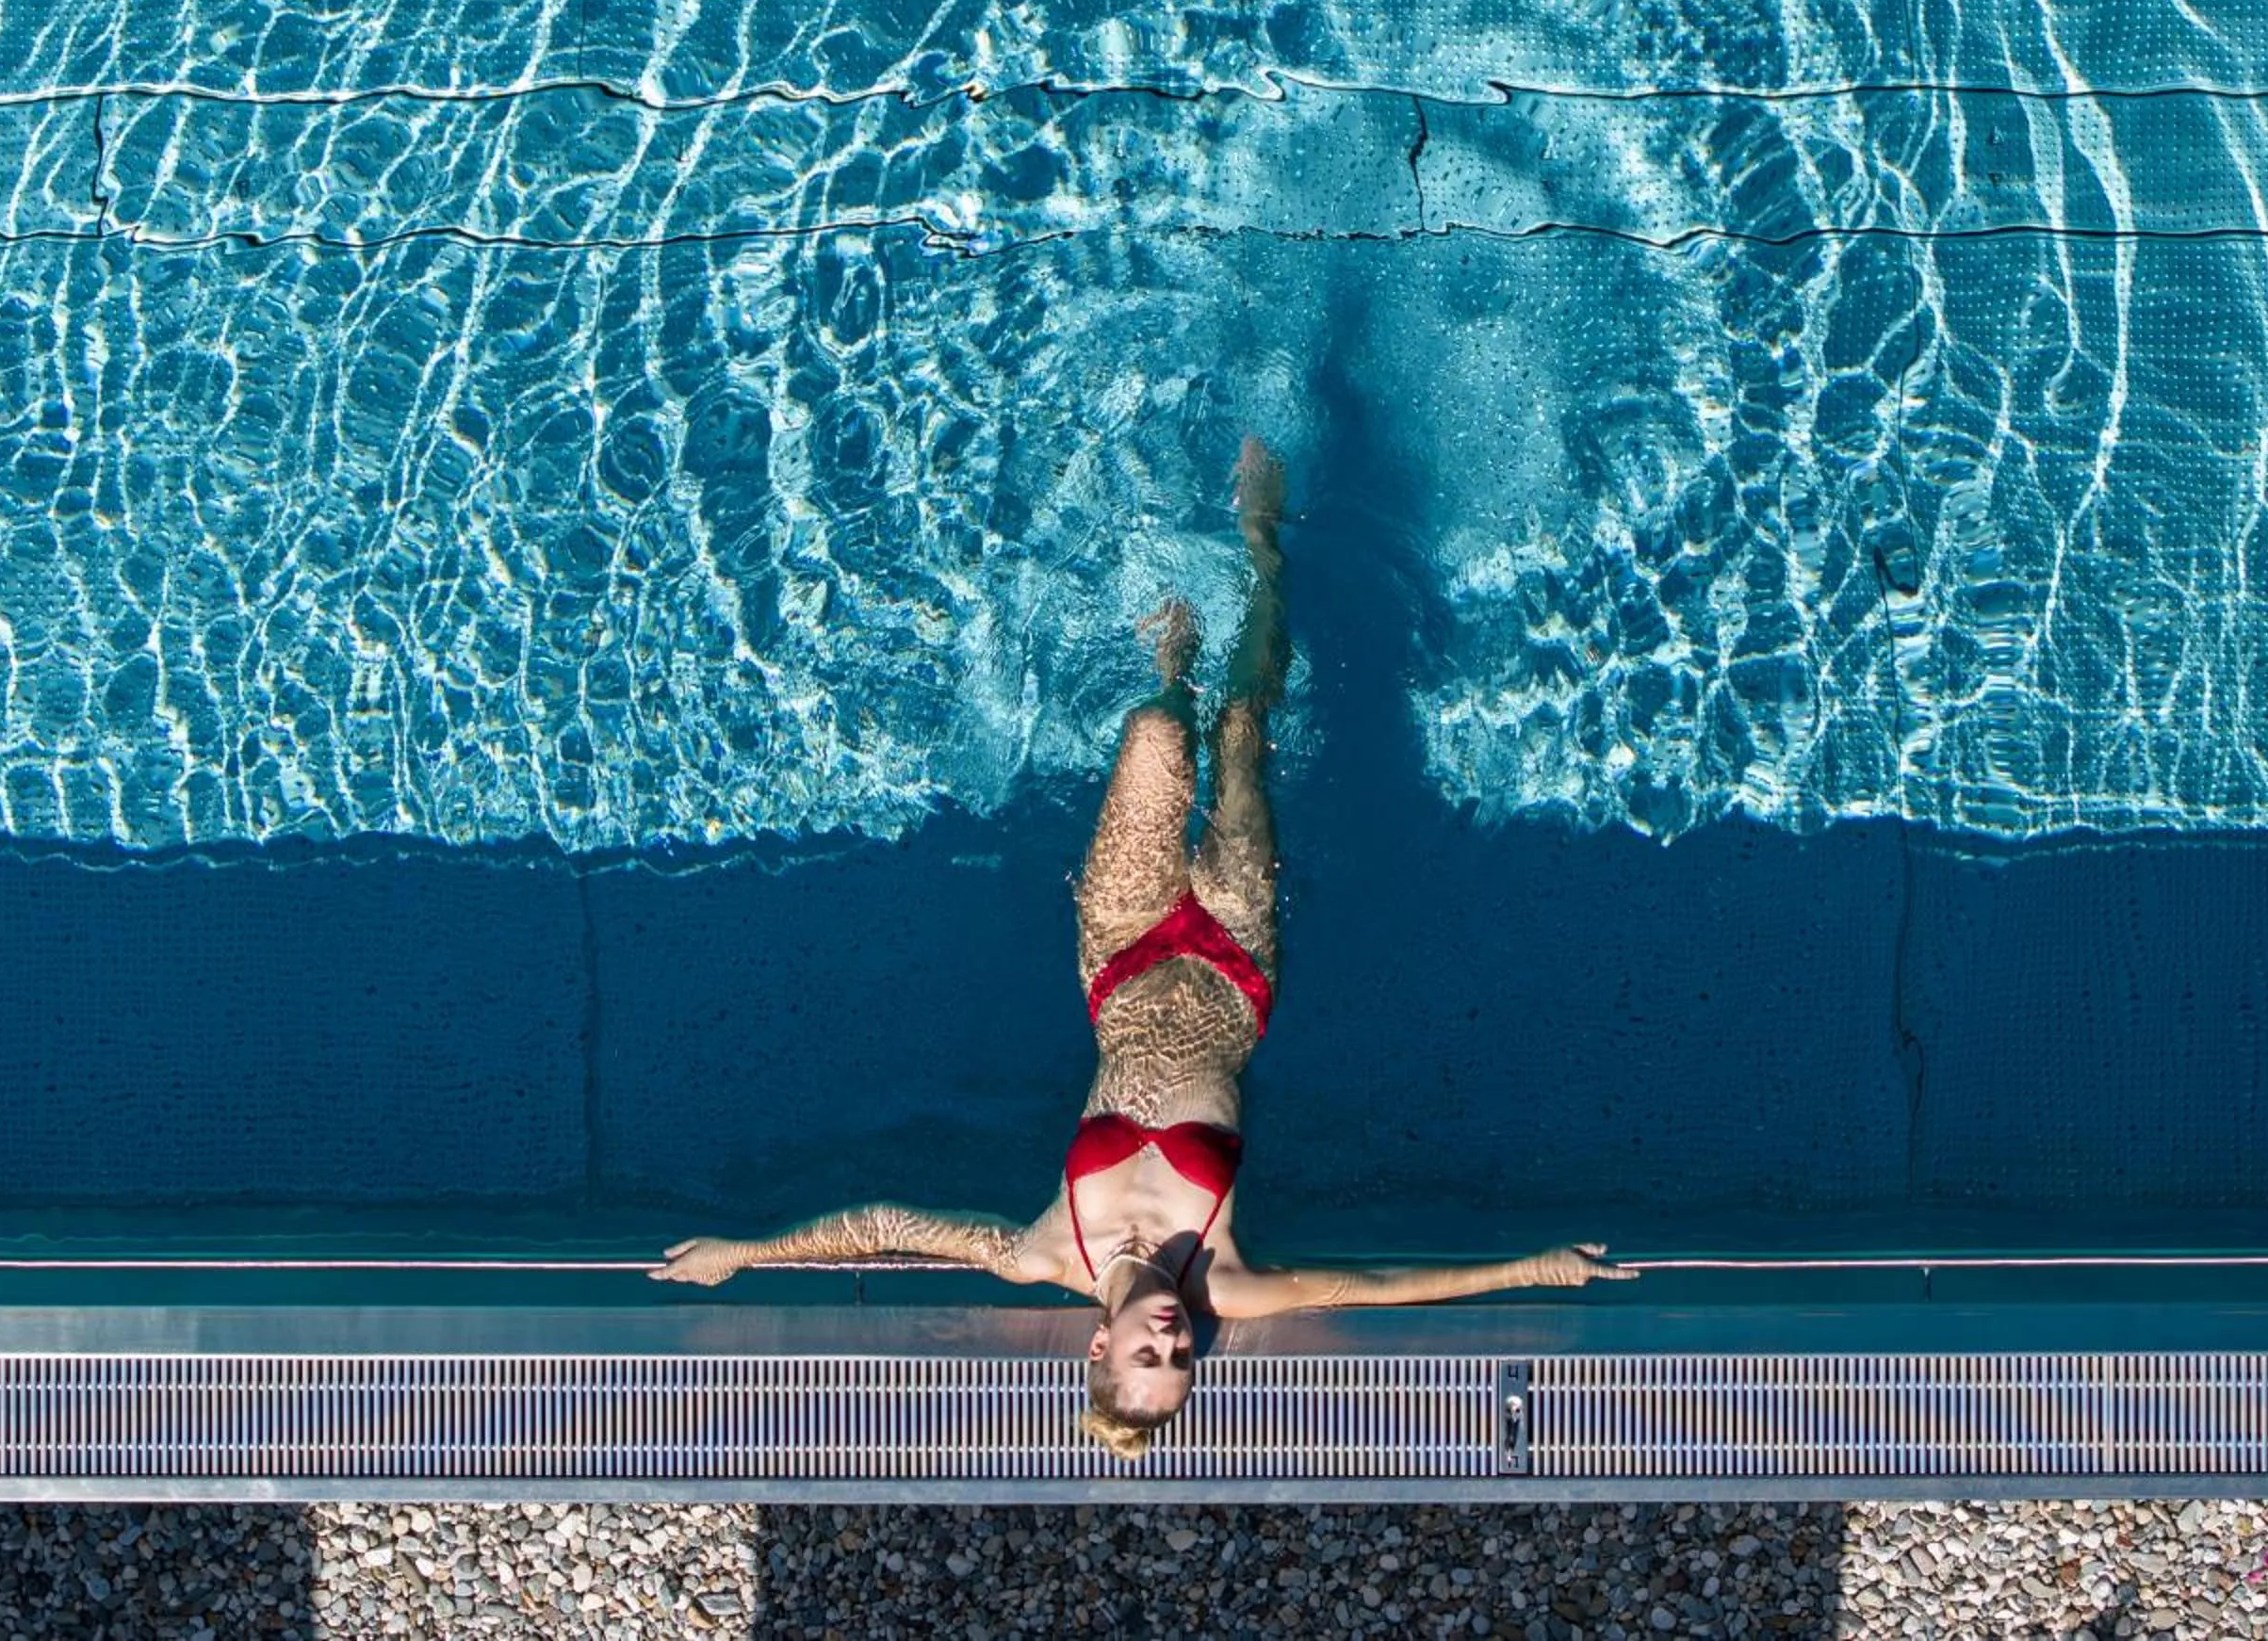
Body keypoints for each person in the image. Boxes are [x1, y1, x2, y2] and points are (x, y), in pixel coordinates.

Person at [651, 438, 1625, 1456]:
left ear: (1095, 1349)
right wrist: (1537, 1270)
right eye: (1183, 1361)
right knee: (1244, 731)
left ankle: (1172, 657)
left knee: (1159, 735)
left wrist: (748, 1251)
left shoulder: (1040, 1253)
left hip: (1118, 958)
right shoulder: (1226, 1277)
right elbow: (1374, 1286)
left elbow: (888, 1226)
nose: (1172, 1340)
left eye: (1143, 1358)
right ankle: (1263, 553)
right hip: (1235, 967)